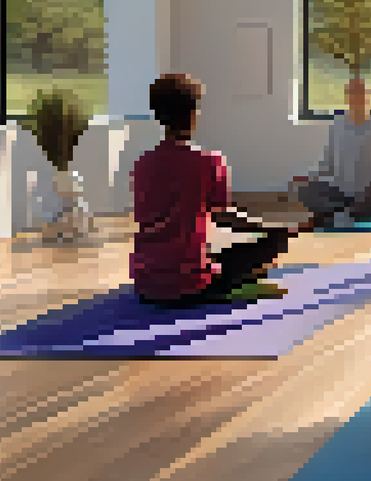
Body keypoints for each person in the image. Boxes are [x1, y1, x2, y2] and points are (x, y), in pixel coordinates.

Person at [131, 74, 309, 308]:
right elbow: (225, 217)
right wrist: (273, 228)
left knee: (209, 252)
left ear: (158, 115)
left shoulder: (142, 163)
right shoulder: (209, 161)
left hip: (146, 283)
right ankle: (239, 281)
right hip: (190, 285)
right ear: (193, 114)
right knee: (272, 243)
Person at [291, 77, 371, 230]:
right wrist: (307, 176)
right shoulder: (337, 124)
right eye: (353, 93)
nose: (357, 98)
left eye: (361, 93)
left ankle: (339, 213)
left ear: (368, 96)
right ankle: (346, 212)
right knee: (305, 190)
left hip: (368, 193)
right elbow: (327, 164)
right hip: (340, 191)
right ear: (347, 97)